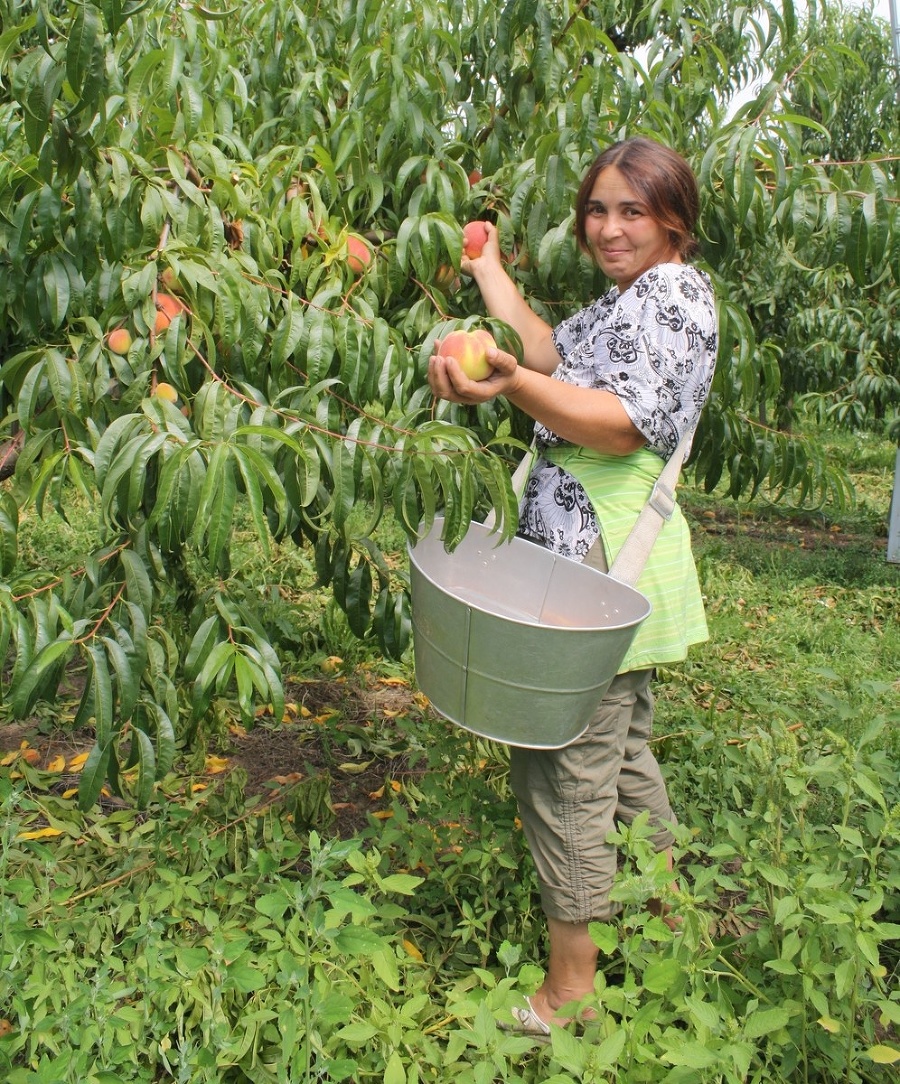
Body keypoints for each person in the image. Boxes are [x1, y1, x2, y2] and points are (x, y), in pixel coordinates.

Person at [427, 136, 718, 1036]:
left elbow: (619, 425)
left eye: (632, 210)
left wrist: (511, 387)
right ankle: (684, 926)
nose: (609, 228)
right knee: (620, 757)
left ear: (674, 217)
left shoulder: (672, 296)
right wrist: (489, 273)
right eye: (597, 209)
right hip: (595, 559)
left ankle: (572, 989)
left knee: (562, 771)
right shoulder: (627, 301)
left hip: (597, 559)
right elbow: (549, 353)